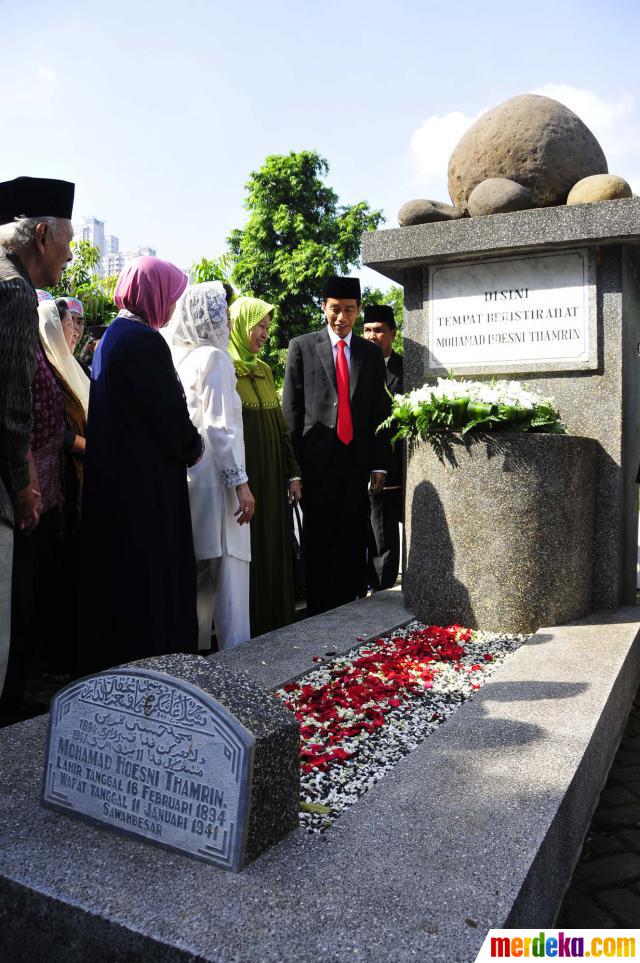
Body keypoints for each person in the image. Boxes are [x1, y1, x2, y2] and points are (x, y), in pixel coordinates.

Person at [81, 256, 203, 671]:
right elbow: (168, 414)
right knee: (154, 586)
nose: (170, 308)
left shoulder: (113, 336)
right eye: (168, 297)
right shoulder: (144, 341)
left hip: (118, 486)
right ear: (152, 296)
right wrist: (194, 447)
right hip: (145, 490)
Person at [0, 175, 74, 712]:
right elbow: (10, 405)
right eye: (68, 245)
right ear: (43, 235)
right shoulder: (15, 289)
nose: (69, 258)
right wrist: (23, 484)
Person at [282, 276, 391, 616]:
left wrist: (378, 464)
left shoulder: (369, 353)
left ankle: (347, 611)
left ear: (357, 312)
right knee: (317, 541)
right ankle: (316, 613)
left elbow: (378, 410)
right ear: (323, 309)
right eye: (334, 310)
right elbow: (292, 410)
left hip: (355, 462)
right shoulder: (302, 346)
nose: (341, 318)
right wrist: (293, 470)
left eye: (348, 310)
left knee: (352, 539)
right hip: (316, 463)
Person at [163, 281, 255, 650]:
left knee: (202, 577)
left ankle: (198, 654)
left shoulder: (182, 359)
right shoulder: (215, 359)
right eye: (225, 317)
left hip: (195, 479)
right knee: (231, 575)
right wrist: (241, 484)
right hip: (219, 482)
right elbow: (220, 427)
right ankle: (237, 656)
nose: (230, 326)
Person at [229, 296, 301, 637]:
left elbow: (280, 426)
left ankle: (279, 622)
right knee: (253, 551)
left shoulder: (264, 369)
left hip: (273, 479)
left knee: (276, 547)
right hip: (247, 479)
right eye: (259, 325)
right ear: (241, 325)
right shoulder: (225, 369)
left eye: (267, 327)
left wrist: (292, 472)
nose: (264, 333)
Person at [363, 304, 404, 591]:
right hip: (361, 463)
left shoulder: (407, 369)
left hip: (395, 463)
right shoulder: (356, 363)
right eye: (367, 330)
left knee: (386, 531)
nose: (372, 336)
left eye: (379, 330)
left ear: (393, 333)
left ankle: (385, 591)